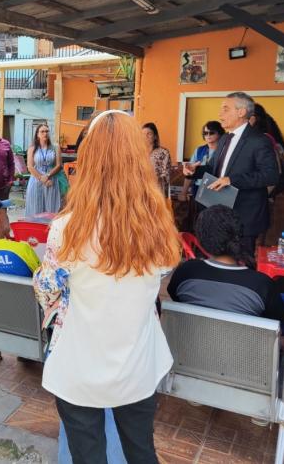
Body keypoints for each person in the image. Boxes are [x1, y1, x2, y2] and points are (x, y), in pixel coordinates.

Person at [35, 110, 180, 463]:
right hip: (138, 363)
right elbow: (162, 274)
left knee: (88, 455)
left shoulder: (67, 228)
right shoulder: (158, 224)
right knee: (141, 451)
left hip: (79, 364)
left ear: (88, 159)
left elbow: (47, 291)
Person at [184, 91, 278, 254]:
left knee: (241, 263)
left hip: (245, 215)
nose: (220, 114)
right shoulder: (225, 140)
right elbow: (214, 169)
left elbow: (271, 175)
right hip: (220, 212)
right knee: (219, 260)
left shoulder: (258, 140)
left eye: (226, 109)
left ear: (241, 112)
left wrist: (232, 180)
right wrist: (194, 170)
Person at [167, 205, 284, 324]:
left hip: (190, 343)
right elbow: (280, 322)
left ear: (201, 240)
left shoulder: (185, 272)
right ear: (239, 235)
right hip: (244, 344)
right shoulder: (261, 285)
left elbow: (176, 298)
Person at [180, 120, 224, 201]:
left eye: (211, 133)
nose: (208, 135)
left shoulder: (224, 150)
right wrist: (183, 193)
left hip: (217, 188)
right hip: (199, 188)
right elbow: (189, 173)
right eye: (205, 133)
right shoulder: (199, 150)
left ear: (219, 133)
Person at [25, 123, 62, 216]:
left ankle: (51, 229)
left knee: (51, 207)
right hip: (36, 180)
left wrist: (48, 176)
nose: (45, 133)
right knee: (35, 208)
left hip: (51, 179)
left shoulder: (56, 147)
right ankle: (34, 229)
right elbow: (30, 166)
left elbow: (59, 165)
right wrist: (41, 178)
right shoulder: (32, 148)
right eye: (42, 131)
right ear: (37, 134)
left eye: (47, 131)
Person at [142, 122, 172, 197]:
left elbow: (166, 175)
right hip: (140, 191)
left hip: (156, 192)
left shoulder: (163, 152)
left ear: (155, 136)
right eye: (143, 134)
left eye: (149, 134)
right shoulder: (137, 153)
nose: (145, 136)